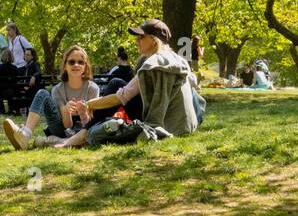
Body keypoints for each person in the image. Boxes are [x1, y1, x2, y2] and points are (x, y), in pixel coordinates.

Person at [51, 20, 199, 149]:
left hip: (166, 124)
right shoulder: (178, 60)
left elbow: (120, 98)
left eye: (141, 36)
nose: (137, 40)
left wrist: (89, 104)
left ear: (154, 40)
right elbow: (194, 83)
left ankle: (82, 134)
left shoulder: (153, 63)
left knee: (116, 83)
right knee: (119, 87)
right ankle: (84, 131)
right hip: (185, 125)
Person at [3, 45, 103, 149]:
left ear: (85, 66)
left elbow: (91, 122)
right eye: (71, 62)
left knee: (88, 132)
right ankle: (25, 135)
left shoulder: (92, 88)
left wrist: (83, 112)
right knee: (42, 93)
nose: (76, 65)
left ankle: (56, 142)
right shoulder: (58, 89)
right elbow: (66, 125)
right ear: (65, 65)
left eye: (80, 62)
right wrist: (67, 111)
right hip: (62, 128)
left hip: (85, 128)